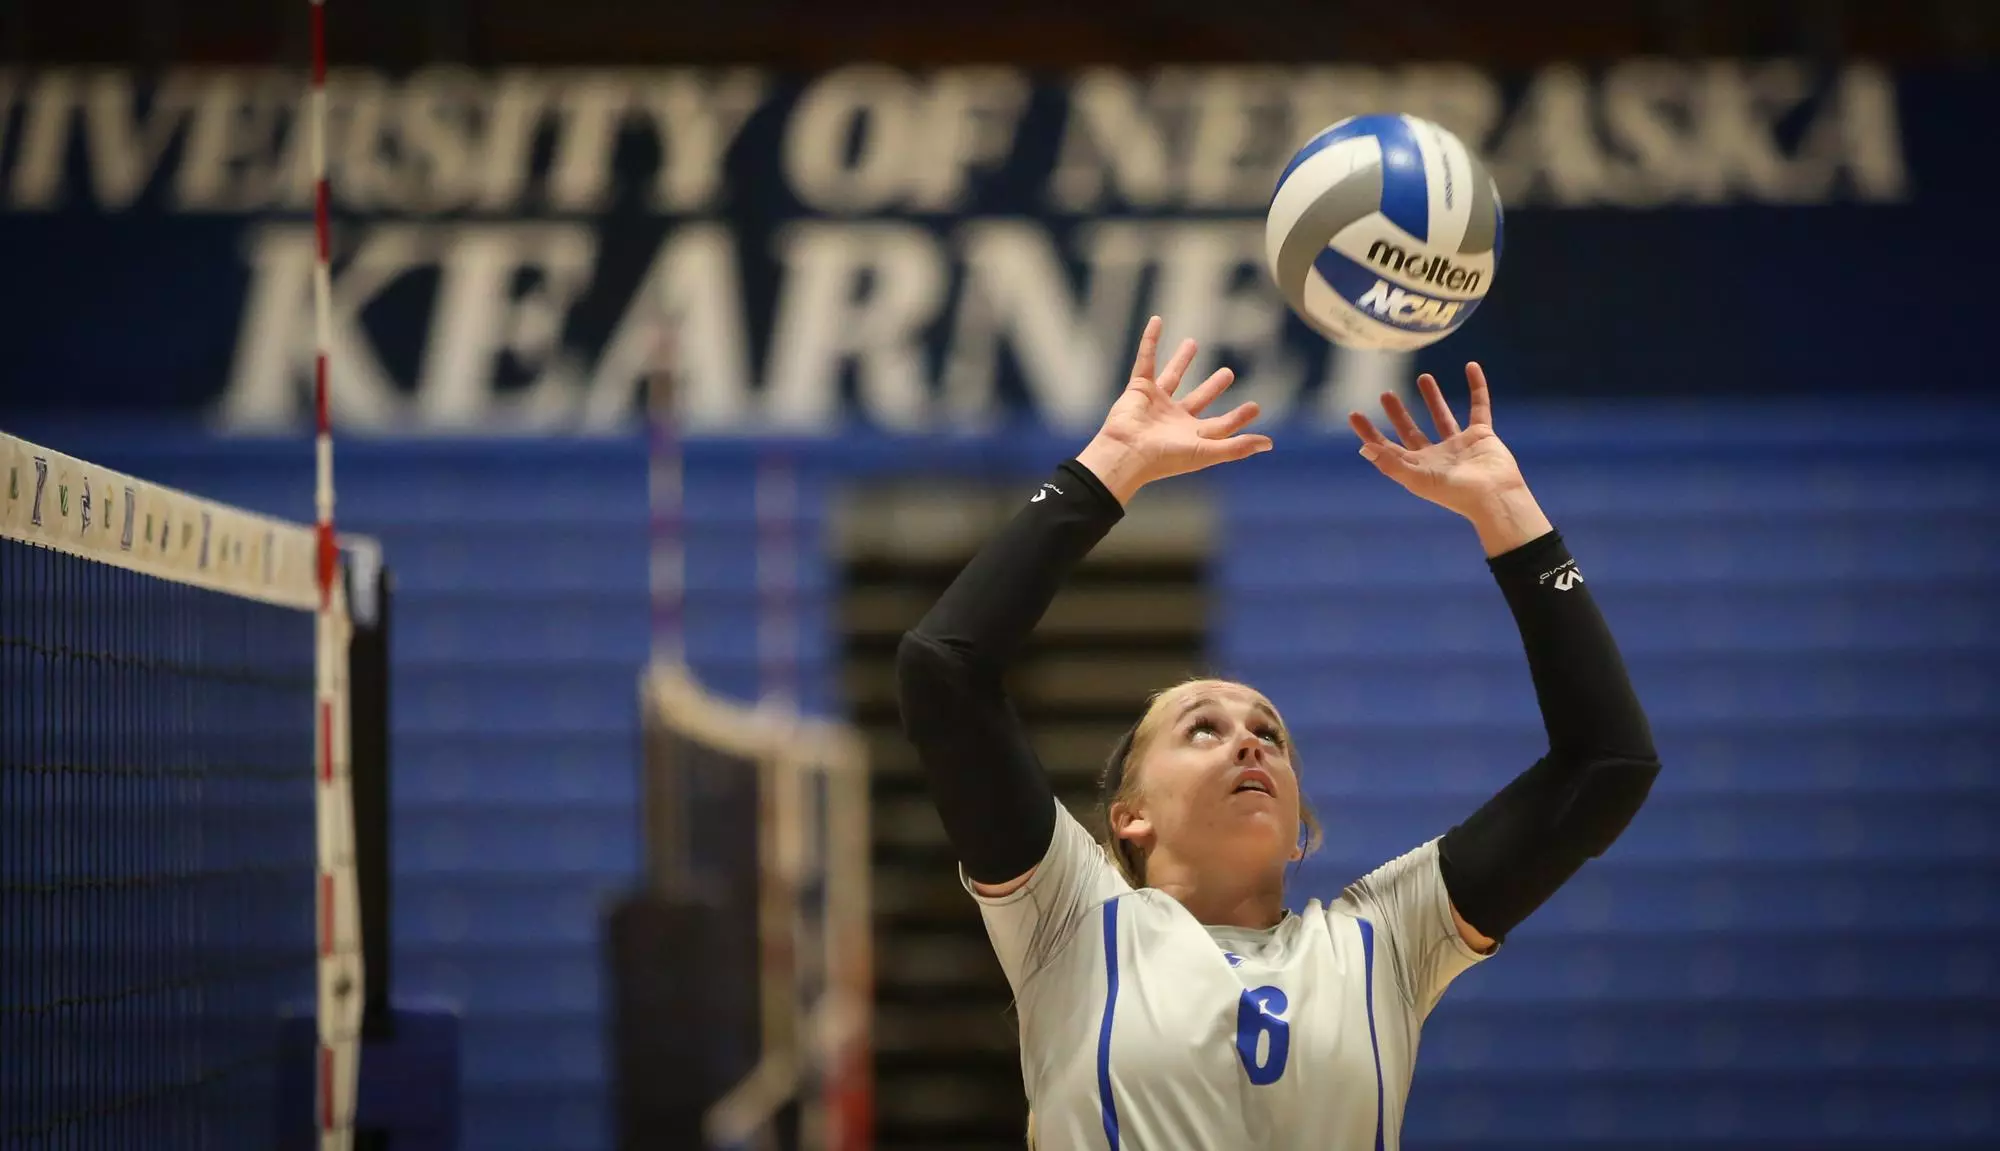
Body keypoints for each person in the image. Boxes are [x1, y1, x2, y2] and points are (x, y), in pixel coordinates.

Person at [895, 316, 1661, 1150]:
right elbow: (944, 670)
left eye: (1268, 732)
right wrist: (1110, 467)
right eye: (1202, 729)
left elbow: (1608, 764)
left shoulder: (1383, 944)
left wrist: (1510, 512)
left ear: (1300, 829)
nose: (1249, 742)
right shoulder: (1073, 922)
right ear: (1130, 816)